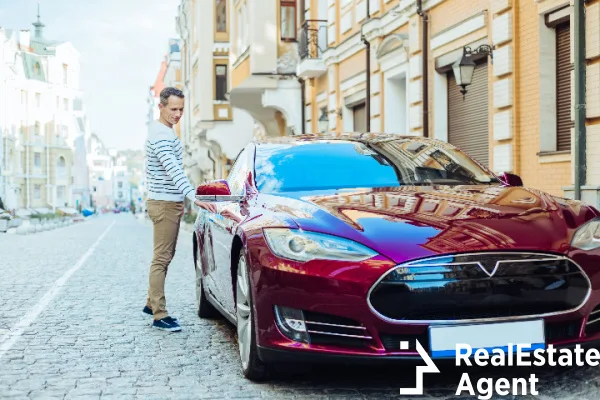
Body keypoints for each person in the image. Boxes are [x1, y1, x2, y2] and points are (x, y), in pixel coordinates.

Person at [144, 87, 216, 332]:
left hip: (166, 201)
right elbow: (173, 168)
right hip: (164, 203)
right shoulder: (161, 136)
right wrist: (193, 195)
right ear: (161, 107)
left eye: (181, 109)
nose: (177, 114)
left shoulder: (162, 130)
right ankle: (159, 314)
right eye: (173, 109)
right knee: (162, 258)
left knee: (165, 255)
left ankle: (149, 302)